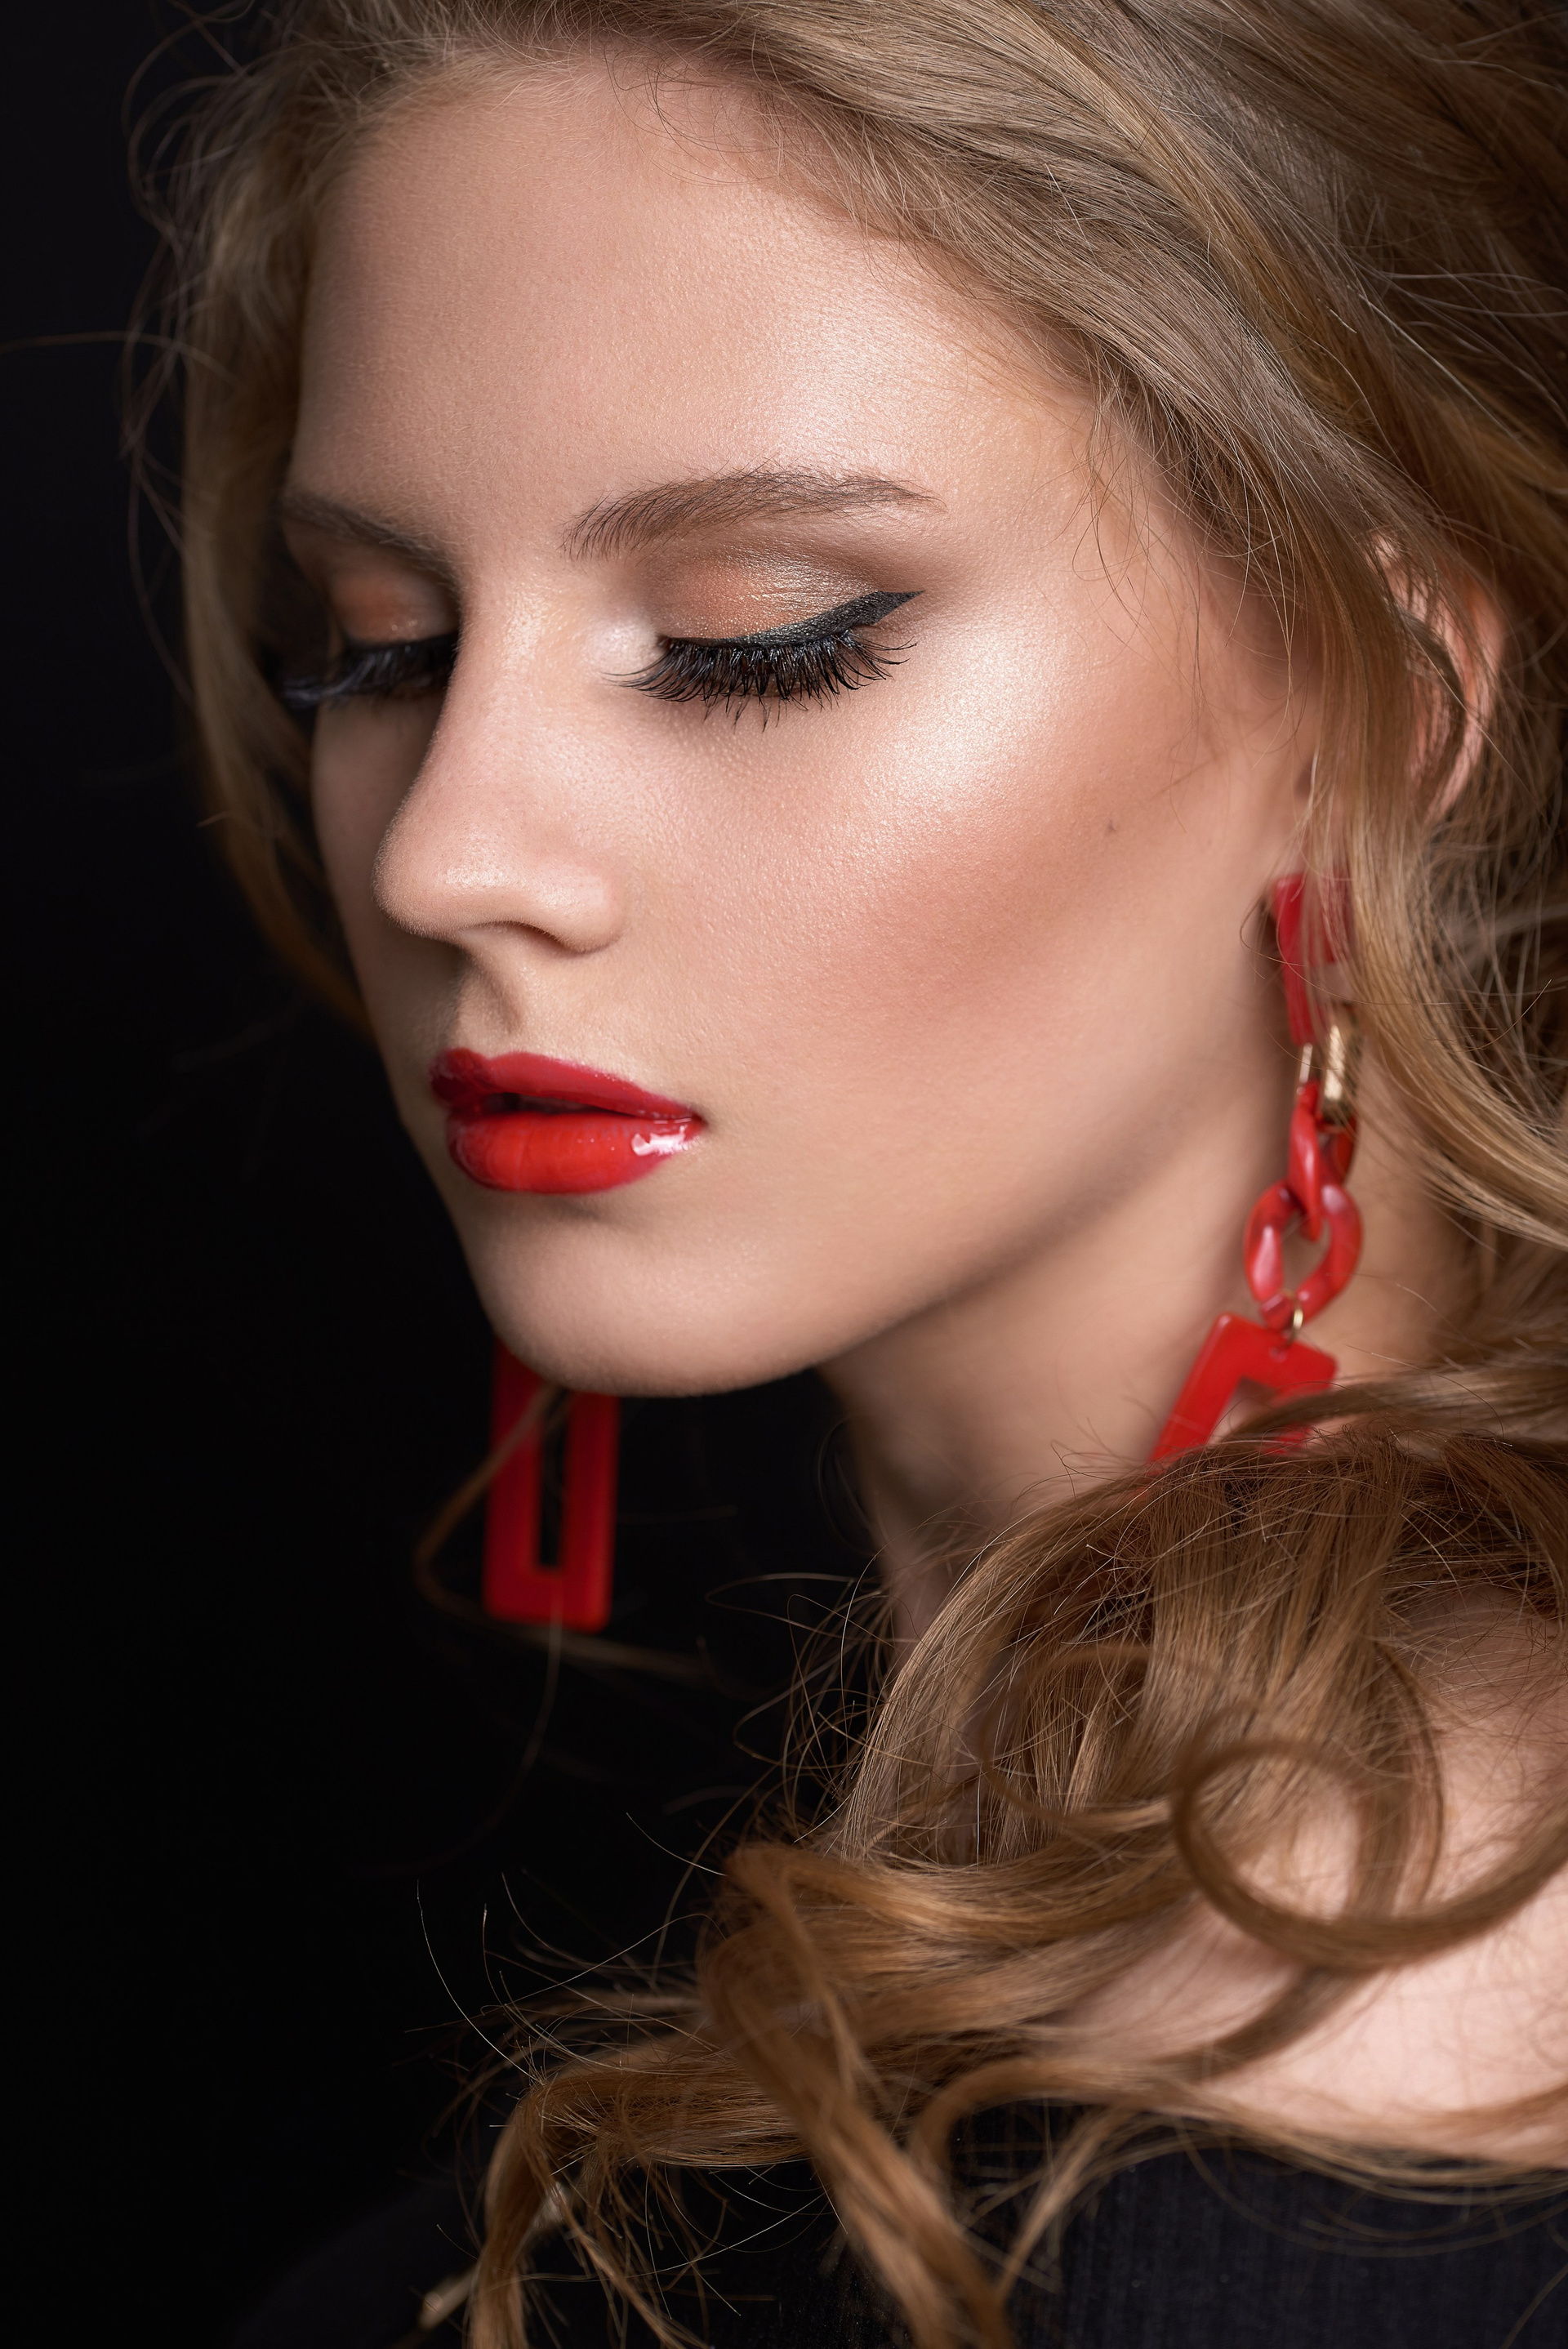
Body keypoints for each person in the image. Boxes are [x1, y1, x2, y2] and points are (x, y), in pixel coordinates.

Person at [154, 2, 1566, 2342]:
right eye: (380, 651)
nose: (448, 853)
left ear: (1381, 703)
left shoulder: (1356, 2077)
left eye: (752, 642)